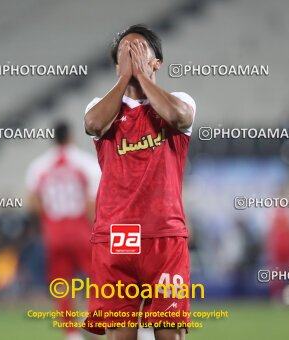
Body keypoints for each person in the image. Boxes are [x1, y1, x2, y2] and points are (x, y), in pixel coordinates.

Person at [83, 24, 196, 340]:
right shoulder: (100, 107)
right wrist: (125, 79)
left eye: (139, 48)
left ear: (157, 61)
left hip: (165, 236)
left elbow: (180, 118)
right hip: (117, 237)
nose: (131, 53)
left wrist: (142, 77)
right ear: (117, 66)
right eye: (124, 52)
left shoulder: (180, 100)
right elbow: (92, 125)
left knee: (169, 335)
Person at [26, 121, 101, 340]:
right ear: (71, 137)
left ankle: (71, 333)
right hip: (81, 230)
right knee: (95, 279)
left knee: (62, 284)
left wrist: (49, 217)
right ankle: (93, 323)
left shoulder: (39, 166)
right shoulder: (84, 163)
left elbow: (31, 202)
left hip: (54, 233)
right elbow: (92, 202)